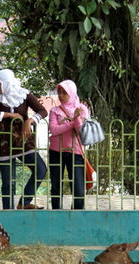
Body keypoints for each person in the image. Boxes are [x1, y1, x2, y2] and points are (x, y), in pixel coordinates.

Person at [0, 69, 48, 209]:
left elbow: (43, 111)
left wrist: (30, 120)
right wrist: (8, 115)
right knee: (8, 182)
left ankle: (24, 202)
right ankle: (8, 212)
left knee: (40, 169)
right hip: (4, 142)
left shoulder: (24, 94)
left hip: (23, 140)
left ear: (7, 83)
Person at [48, 79, 88, 210]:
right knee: (55, 186)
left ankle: (77, 215)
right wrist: (71, 123)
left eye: (64, 93)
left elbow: (81, 131)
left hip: (75, 152)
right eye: (59, 92)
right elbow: (53, 129)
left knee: (78, 188)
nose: (61, 95)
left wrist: (76, 118)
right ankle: (56, 213)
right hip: (56, 151)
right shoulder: (55, 110)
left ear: (71, 93)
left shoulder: (82, 109)